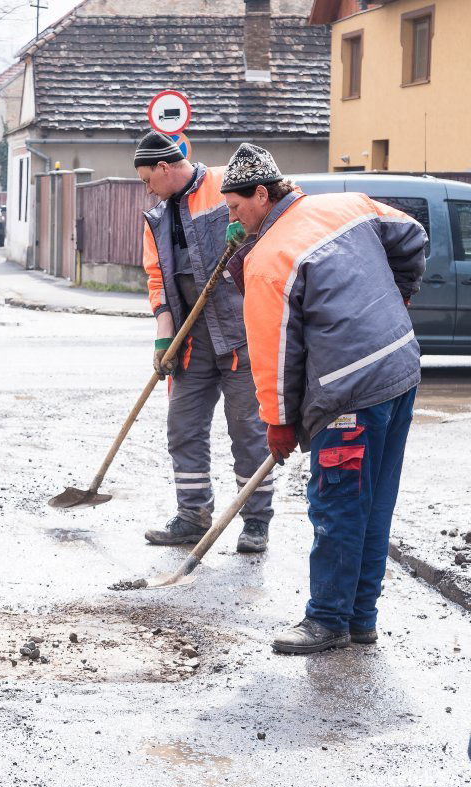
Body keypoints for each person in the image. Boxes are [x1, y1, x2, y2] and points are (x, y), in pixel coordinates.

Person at [219, 143, 427, 654]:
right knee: (374, 503)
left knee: (337, 504)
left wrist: (279, 422)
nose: (232, 218)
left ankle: (327, 620)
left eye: (235, 208)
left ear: (261, 194)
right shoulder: (348, 204)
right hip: (400, 369)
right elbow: (413, 235)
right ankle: (361, 619)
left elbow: (274, 353)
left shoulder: (269, 259)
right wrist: (401, 293)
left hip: (349, 393)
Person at [135, 131, 274, 553]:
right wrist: (164, 337)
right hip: (189, 340)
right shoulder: (157, 218)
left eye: (147, 179)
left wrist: (249, 235)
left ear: (164, 168)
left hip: (239, 335)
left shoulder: (225, 182)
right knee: (183, 428)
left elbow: (279, 208)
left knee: (248, 431)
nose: (147, 188)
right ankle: (192, 516)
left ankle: (255, 521)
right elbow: (157, 279)